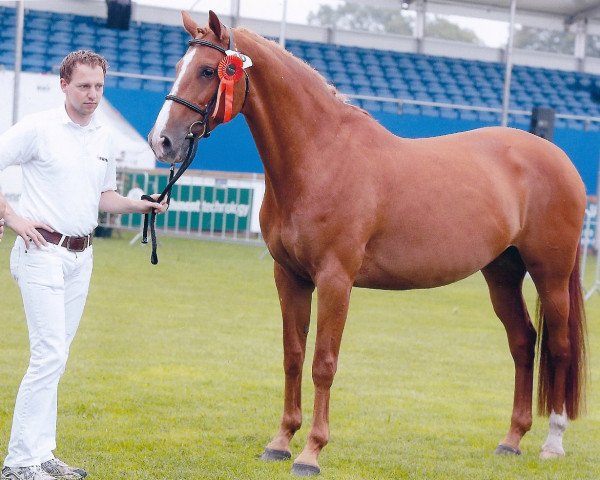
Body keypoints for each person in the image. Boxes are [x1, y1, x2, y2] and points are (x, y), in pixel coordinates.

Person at [0, 50, 166, 480]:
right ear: (64, 86)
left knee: (57, 356)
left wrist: (139, 204)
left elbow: (102, 197)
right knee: (49, 354)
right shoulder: (37, 129)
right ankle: (19, 462)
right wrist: (13, 217)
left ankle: (42, 453)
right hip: (41, 253)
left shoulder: (103, 137)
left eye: (99, 87)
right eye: (84, 86)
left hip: (82, 256)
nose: (93, 95)